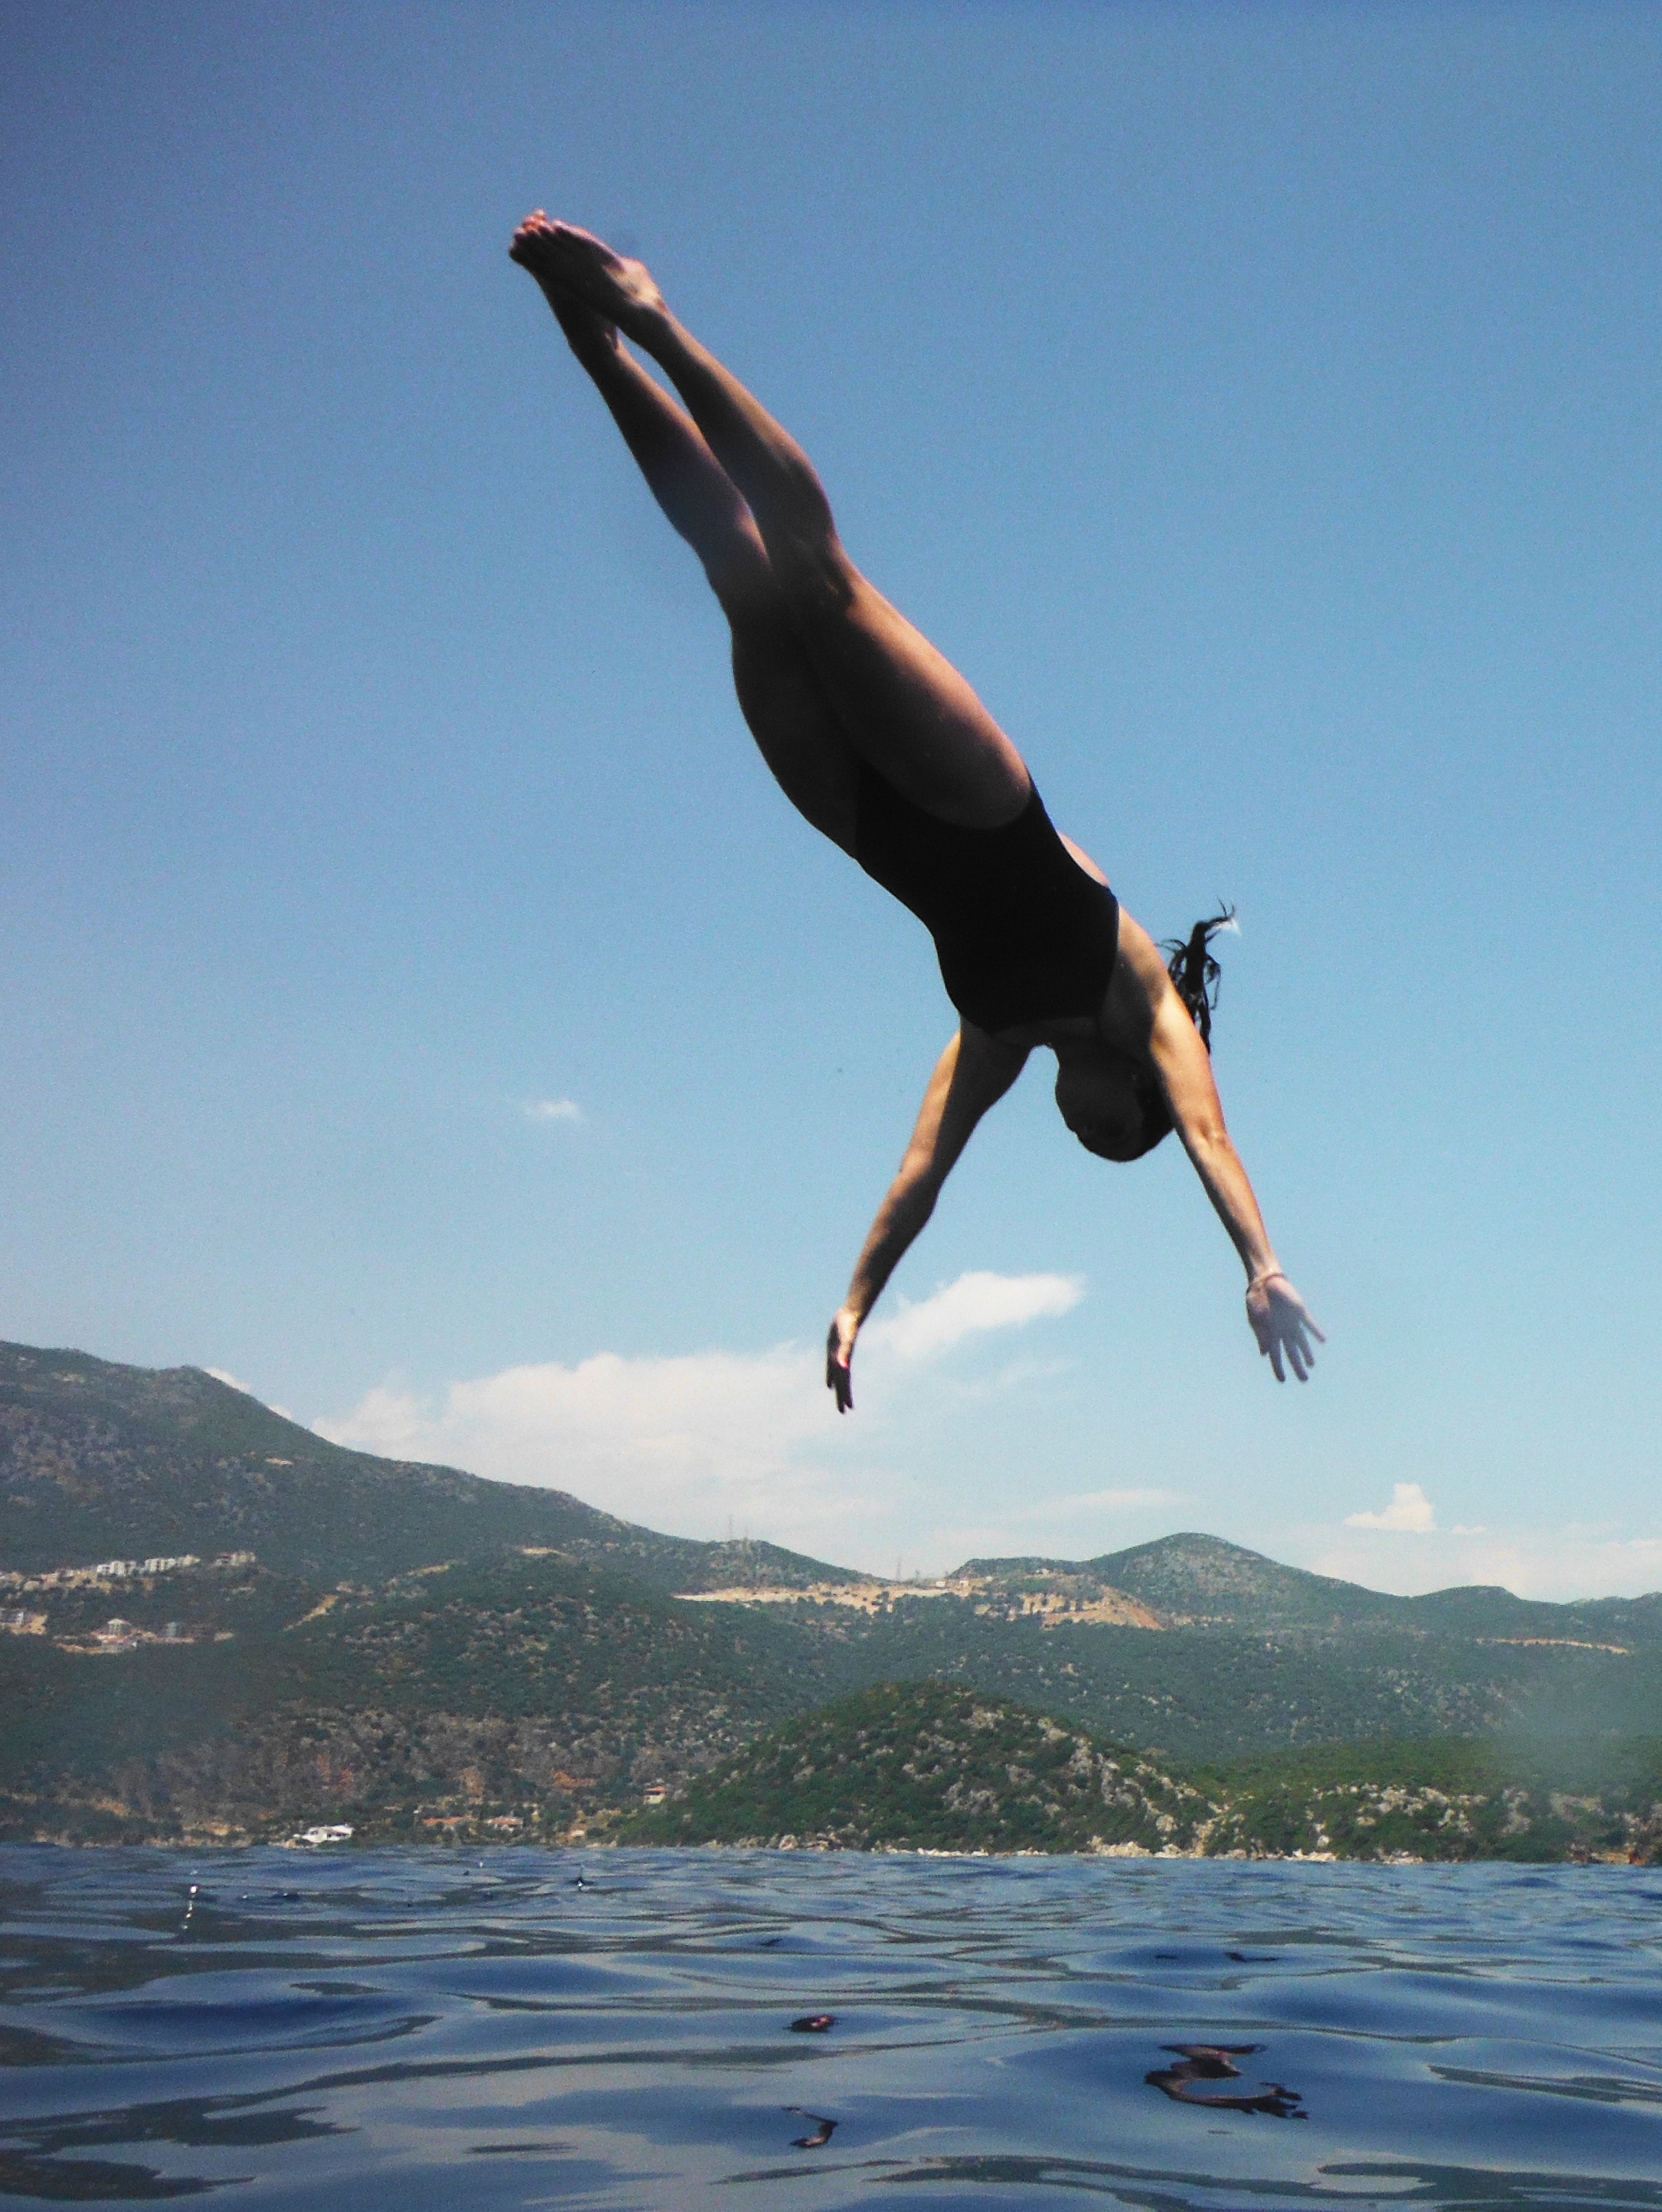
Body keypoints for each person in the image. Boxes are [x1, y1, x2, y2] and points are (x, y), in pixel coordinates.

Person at [509, 214, 1322, 1410]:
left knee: (735, 580)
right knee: (815, 573)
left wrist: (853, 1304)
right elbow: (1214, 1140)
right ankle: (647, 315)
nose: (1088, 1144)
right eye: (1110, 1142)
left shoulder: (996, 1045)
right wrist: (1262, 1264)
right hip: (974, 801)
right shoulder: (1138, 994)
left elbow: (919, 1175)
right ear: (1134, 1094)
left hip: (861, 823)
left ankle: (593, 352)